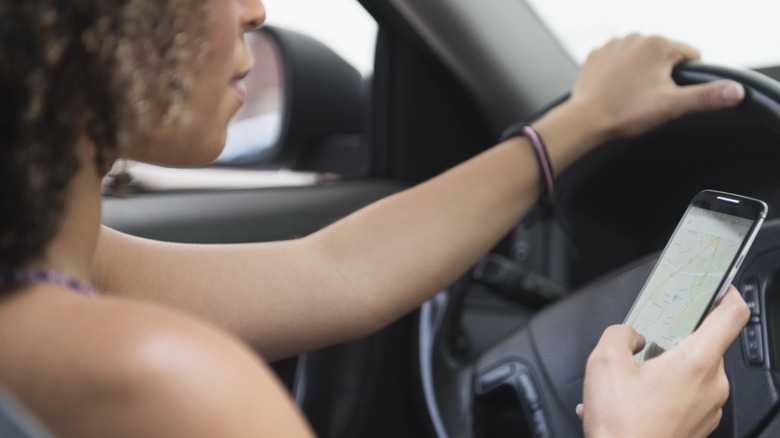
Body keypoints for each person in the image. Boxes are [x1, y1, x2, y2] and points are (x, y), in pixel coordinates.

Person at [0, 0, 750, 437]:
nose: (255, 11)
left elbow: (335, 271)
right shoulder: (163, 382)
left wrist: (579, 122)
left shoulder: (59, 275)